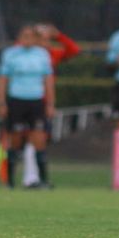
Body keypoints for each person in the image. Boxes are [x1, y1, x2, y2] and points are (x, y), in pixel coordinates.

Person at [19, 23, 82, 187]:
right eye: (41, 38)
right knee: (27, 138)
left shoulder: (50, 54)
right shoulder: (22, 53)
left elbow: (74, 50)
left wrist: (58, 35)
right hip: (25, 99)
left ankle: (34, 178)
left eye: (48, 39)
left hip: (43, 102)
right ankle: (28, 178)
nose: (45, 42)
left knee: (39, 138)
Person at [0, 25, 56, 189]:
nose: (28, 39)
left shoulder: (42, 55)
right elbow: (2, 80)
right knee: (15, 142)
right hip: (16, 101)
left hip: (36, 102)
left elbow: (48, 81)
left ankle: (43, 180)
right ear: (20, 38)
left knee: (40, 140)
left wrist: (50, 103)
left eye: (31, 36)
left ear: (36, 39)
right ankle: (9, 181)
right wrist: (1, 103)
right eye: (25, 36)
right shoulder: (11, 54)